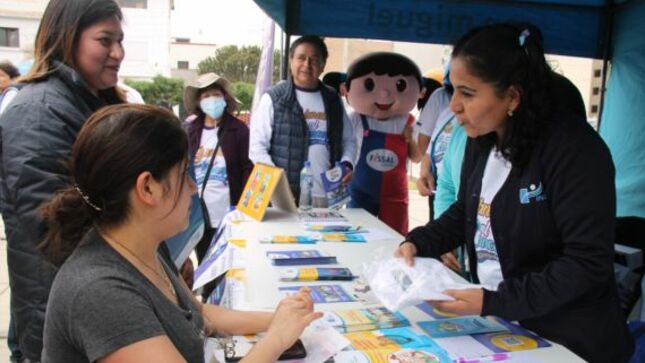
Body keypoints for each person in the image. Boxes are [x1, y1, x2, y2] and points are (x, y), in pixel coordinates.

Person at [395, 23, 634, 362]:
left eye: (468, 93)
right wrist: (419, 241)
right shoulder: (484, 140)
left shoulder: (575, 152)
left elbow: (585, 264)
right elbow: (466, 210)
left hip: (568, 341)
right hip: (504, 328)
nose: (455, 108)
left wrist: (493, 301)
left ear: (511, 97)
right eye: (453, 92)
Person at [39, 104, 320, 362]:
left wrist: (279, 318)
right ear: (148, 188)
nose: (193, 188)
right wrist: (277, 339)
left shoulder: (143, 245)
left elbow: (199, 315)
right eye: (184, 175)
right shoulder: (100, 292)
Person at [0, 0, 126, 360]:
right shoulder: (38, 113)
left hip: (92, 301)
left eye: (120, 40)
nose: (117, 53)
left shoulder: (89, 103)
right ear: (67, 38)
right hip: (61, 313)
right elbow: (55, 226)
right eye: (105, 41)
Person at [249, 35, 357, 207]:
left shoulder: (333, 100)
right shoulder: (274, 98)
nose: (307, 65)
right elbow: (256, 148)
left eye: (314, 59)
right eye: (301, 58)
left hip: (327, 197)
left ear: (322, 65)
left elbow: (349, 140)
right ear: (291, 59)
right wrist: (278, 185)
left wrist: (347, 163)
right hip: (287, 199)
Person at [342, 52, 424, 235]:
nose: (385, 94)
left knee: (394, 242)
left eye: (399, 85)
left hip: (395, 196)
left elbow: (417, 158)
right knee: (358, 238)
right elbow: (343, 147)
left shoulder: (409, 122)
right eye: (370, 85)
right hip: (360, 193)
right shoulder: (355, 119)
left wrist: (410, 139)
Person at [183, 72, 254, 262]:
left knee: (229, 264)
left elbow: (248, 168)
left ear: (225, 99)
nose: (212, 100)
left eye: (216, 95)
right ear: (199, 102)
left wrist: (243, 207)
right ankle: (207, 293)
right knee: (206, 264)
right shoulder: (191, 131)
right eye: (206, 96)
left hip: (229, 214)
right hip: (200, 215)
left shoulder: (238, 130)